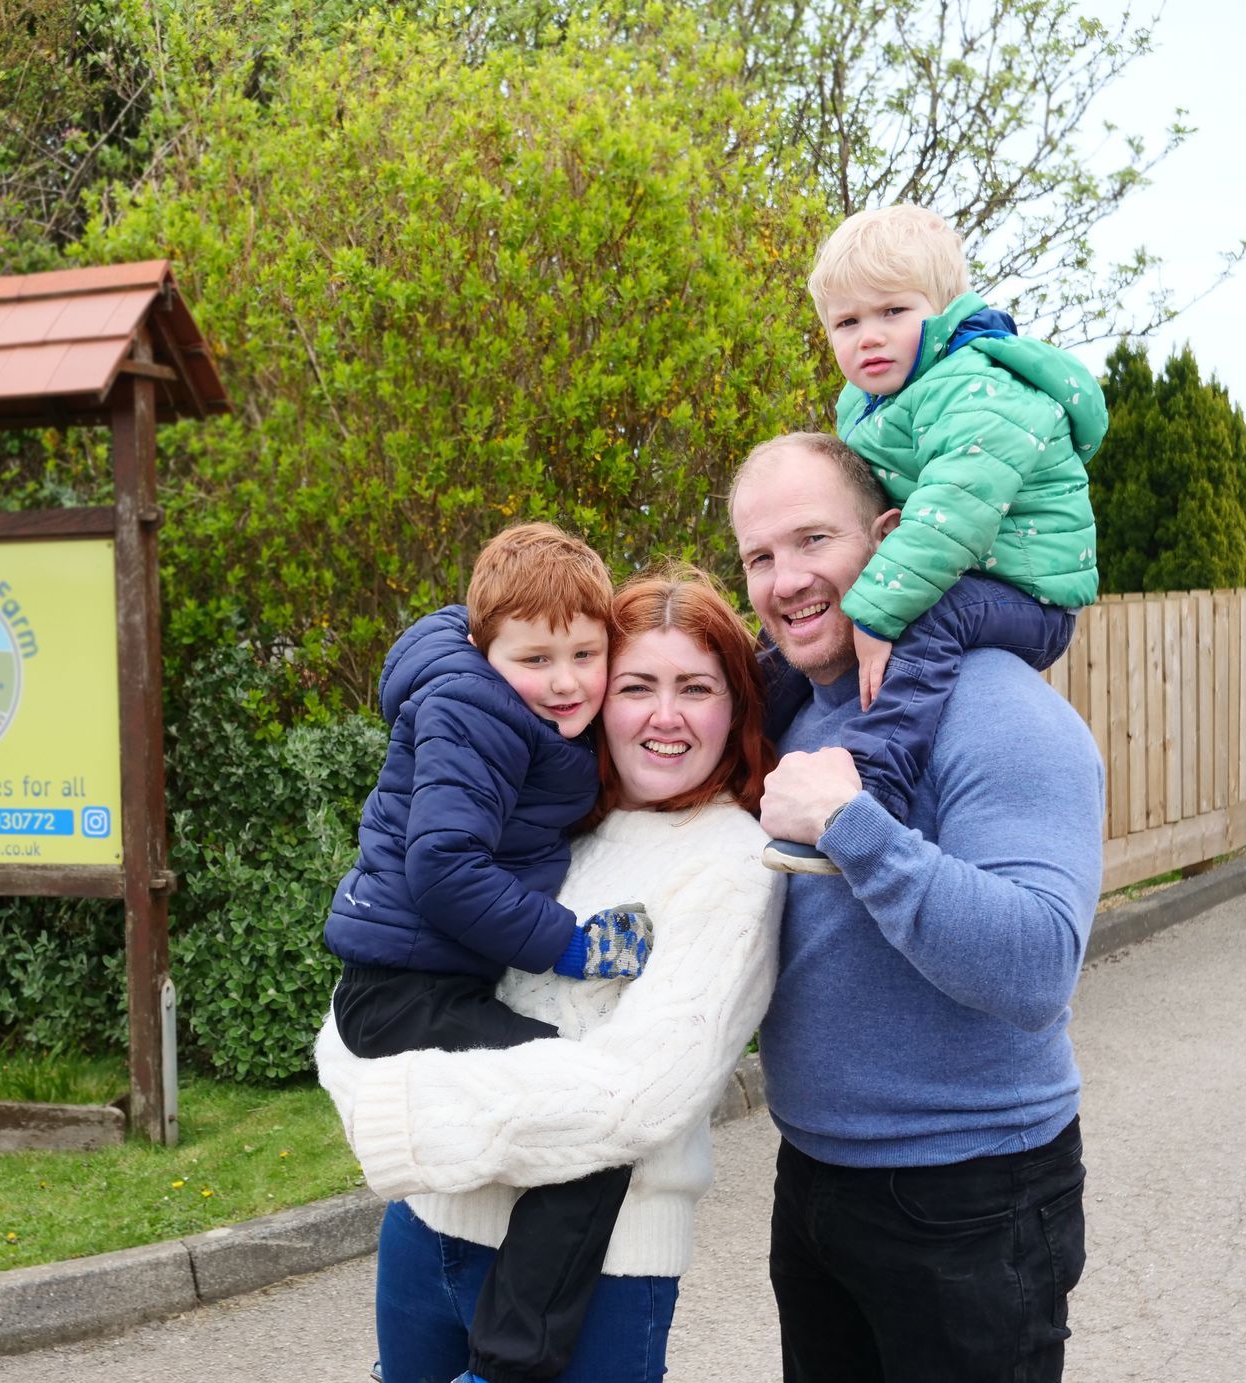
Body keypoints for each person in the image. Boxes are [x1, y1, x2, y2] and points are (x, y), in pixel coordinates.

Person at [318, 565, 785, 1383]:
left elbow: (633, 1097)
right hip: (429, 1226)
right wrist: (369, 1081)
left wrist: (390, 1111)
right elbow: (384, 992)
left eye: (697, 688)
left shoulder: (732, 862)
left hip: (600, 1272)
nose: (664, 716)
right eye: (637, 684)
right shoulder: (549, 814)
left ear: (736, 705)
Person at [731, 431, 1103, 1382]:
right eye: (761, 556)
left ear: (890, 535)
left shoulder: (997, 707)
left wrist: (853, 825)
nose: (786, 580)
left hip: (970, 1202)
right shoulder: (807, 707)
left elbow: (1036, 966)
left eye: (814, 540)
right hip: (815, 1180)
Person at [322, 522, 656, 1383]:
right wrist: (574, 948)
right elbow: (444, 868)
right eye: (536, 658)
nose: (567, 681)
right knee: (594, 1116)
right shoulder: (476, 709)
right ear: (484, 647)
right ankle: (505, 1367)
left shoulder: (505, 704)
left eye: (586, 653)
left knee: (572, 1114)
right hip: (402, 989)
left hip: (418, 979)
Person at [762, 203, 1104, 874]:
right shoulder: (873, 402)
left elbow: (955, 509)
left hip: (1028, 595)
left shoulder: (978, 388)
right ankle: (736, 754)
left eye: (894, 312)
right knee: (779, 640)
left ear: (945, 310)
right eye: (848, 322)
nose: (870, 337)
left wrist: (877, 605)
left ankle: (874, 787)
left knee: (928, 620)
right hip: (967, 569)